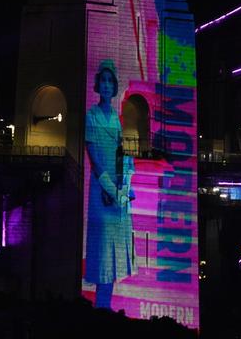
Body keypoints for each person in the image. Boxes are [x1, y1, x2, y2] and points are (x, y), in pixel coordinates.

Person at [84, 59, 135, 309]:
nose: (106, 85)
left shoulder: (116, 118)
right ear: (98, 84)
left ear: (114, 86)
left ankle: (106, 312)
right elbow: (94, 159)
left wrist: (124, 185)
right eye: (102, 80)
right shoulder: (91, 116)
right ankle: (99, 313)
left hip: (117, 197)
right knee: (103, 255)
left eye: (109, 81)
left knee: (114, 259)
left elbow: (121, 155)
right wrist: (110, 190)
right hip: (101, 193)